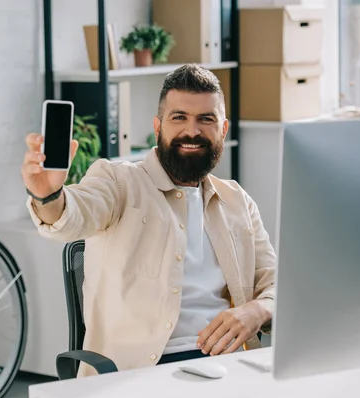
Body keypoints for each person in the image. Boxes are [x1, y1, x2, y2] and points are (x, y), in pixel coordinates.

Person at [21, 64, 276, 378]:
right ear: (159, 126)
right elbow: (73, 213)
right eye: (178, 117)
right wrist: (48, 196)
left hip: (230, 366)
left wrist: (257, 310)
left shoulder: (237, 200)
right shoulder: (118, 181)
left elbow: (276, 284)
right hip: (141, 371)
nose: (192, 131)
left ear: (223, 129)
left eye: (205, 119)